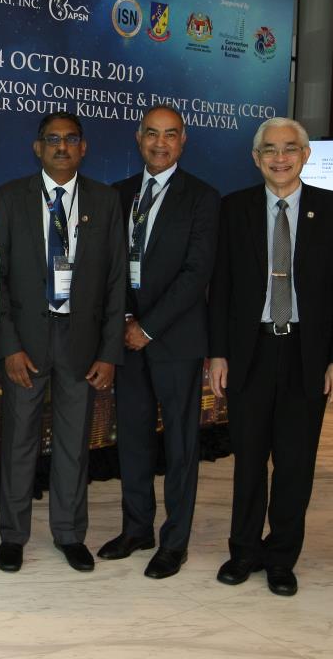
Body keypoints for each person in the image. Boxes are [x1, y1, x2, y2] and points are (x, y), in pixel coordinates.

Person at [208, 117, 333, 596]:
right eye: (269, 149)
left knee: (296, 461)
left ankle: (282, 557)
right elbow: (222, 289)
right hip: (250, 349)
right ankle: (243, 551)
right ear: (256, 159)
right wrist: (217, 354)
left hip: (306, 352)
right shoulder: (233, 209)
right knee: (249, 457)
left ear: (305, 154)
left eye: (289, 148)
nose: (280, 157)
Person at [0, 111, 125, 573]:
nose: (62, 147)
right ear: (37, 147)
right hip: (27, 340)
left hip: (81, 343)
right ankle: (13, 535)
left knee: (73, 444)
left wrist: (109, 351)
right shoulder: (10, 198)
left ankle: (69, 534)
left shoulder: (105, 202)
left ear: (84, 148)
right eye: (53, 139)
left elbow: (115, 281)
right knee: (18, 442)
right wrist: (8, 345)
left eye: (71, 139)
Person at [98, 105, 220, 579]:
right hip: (127, 340)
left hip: (174, 340)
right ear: (138, 137)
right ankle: (136, 529)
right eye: (152, 133)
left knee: (180, 447)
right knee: (131, 439)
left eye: (170, 135)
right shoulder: (119, 194)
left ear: (183, 141)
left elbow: (196, 273)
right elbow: (110, 267)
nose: (160, 142)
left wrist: (147, 327)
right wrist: (126, 322)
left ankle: (175, 541)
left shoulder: (203, 198)